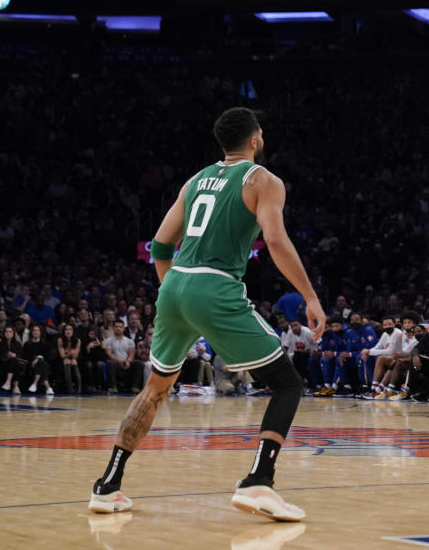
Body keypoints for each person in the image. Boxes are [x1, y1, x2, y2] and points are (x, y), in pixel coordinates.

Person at [88, 107, 326, 521]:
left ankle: (106, 487)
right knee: (287, 383)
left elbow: (160, 247)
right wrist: (310, 296)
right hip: (214, 286)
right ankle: (258, 482)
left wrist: (176, 295)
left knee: (155, 389)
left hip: (175, 285)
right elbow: (275, 240)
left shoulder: (196, 180)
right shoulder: (263, 180)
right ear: (255, 139)